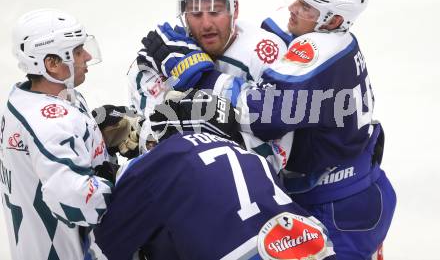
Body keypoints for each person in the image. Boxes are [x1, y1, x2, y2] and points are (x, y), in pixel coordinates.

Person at [141, 0, 396, 260]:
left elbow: (261, 115)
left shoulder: (319, 51)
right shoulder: (324, 32)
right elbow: (272, 32)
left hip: (340, 207)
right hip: (357, 190)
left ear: (334, 20)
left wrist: (201, 74)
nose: (293, 8)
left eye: (306, 7)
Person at [90, 90, 336, 260]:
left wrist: (104, 170)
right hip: (313, 245)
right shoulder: (255, 158)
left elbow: (103, 245)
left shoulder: (156, 162)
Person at [127, 0, 292, 171]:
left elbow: (278, 153)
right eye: (196, 14)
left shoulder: (264, 51)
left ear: (236, 9)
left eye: (215, 11)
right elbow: (149, 142)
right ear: (184, 15)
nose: (206, 24)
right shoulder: (163, 56)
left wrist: (221, 134)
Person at [0, 9, 116, 260]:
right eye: (76, 51)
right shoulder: (49, 123)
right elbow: (75, 199)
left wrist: (100, 134)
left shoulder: (29, 99)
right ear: (51, 64)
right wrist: (123, 178)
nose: (86, 56)